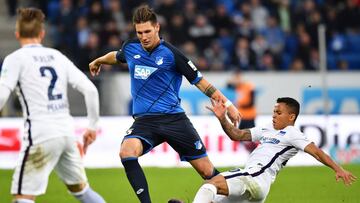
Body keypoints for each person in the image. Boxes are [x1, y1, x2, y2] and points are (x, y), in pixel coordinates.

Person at [89, 5, 241, 203]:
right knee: (126, 152)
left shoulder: (172, 54)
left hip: (174, 120)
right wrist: (98, 61)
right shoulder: (131, 47)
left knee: (207, 172)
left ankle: (239, 196)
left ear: (157, 28)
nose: (143, 37)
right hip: (145, 122)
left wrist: (228, 104)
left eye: (147, 32)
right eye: (139, 32)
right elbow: (117, 56)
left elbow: (201, 82)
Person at [0, 8, 105, 203]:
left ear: (17, 34)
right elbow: (90, 90)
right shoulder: (57, 56)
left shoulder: (14, 59)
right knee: (81, 190)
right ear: (42, 33)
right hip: (66, 133)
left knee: (22, 196)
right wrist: (92, 126)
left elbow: (1, 95)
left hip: (40, 134)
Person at [193, 97, 357, 203]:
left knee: (210, 185)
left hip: (255, 178)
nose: (274, 116)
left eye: (278, 113)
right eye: (273, 112)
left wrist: (338, 169)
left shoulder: (293, 134)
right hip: (256, 189)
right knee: (213, 200)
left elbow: (317, 152)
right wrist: (223, 118)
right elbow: (237, 135)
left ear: (291, 117)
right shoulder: (267, 129)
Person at [227, 71, 258, 152]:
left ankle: (255, 150)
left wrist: (238, 104)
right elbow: (228, 85)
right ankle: (252, 151)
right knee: (239, 136)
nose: (236, 80)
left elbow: (251, 102)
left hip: (250, 116)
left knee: (246, 136)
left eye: (237, 78)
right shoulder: (238, 88)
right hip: (243, 116)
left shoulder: (248, 86)